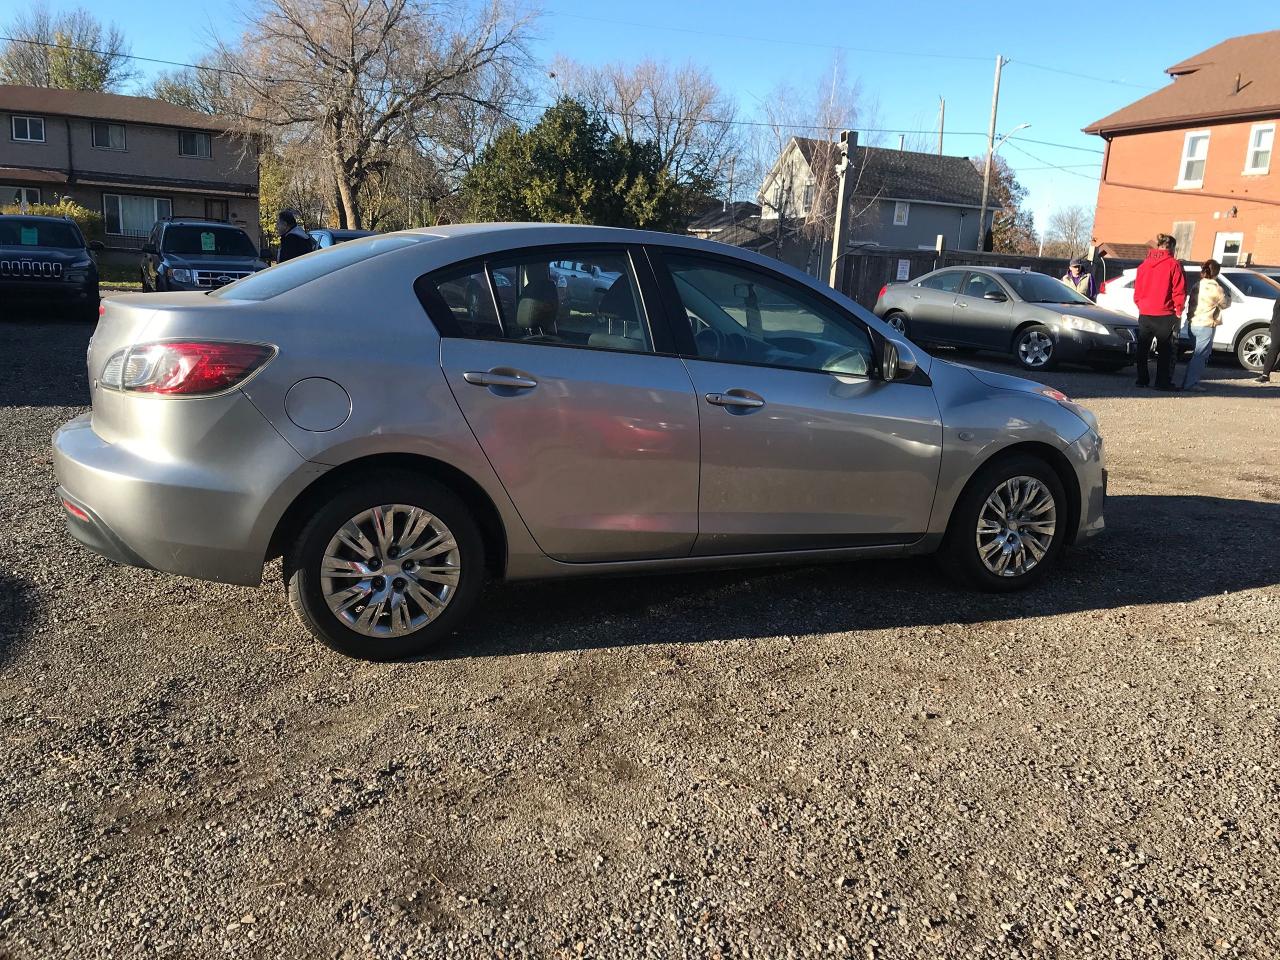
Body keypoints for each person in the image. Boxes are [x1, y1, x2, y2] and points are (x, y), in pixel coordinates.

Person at [1132, 234, 1186, 391]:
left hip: (1145, 312)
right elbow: (1178, 289)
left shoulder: (1144, 265)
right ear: (1171, 247)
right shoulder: (1173, 264)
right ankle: (1162, 382)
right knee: (1164, 351)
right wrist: (1179, 309)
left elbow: (1138, 289)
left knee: (1143, 348)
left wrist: (1140, 305)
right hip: (1164, 313)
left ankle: (1142, 379)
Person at [1180, 259, 1228, 391]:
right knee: (1200, 356)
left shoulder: (1197, 285)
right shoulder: (1216, 288)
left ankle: (1188, 381)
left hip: (1193, 323)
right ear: (1216, 273)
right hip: (1206, 324)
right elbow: (1225, 304)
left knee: (1196, 354)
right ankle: (1191, 383)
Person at [1255, 295, 1280, 384]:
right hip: (1278, 325)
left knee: (1274, 349)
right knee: (1274, 348)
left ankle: (1267, 374)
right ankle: (1265, 375)